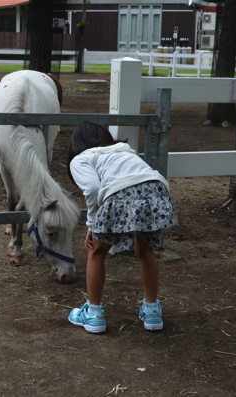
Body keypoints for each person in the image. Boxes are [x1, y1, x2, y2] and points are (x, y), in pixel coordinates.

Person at [66, 121, 178, 333]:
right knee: (145, 249)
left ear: (76, 144)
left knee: (96, 251)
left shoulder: (81, 158)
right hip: (156, 189)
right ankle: (152, 310)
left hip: (121, 193)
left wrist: (92, 223)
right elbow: (140, 176)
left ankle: (93, 314)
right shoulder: (123, 151)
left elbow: (91, 189)